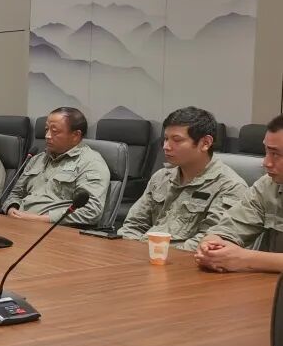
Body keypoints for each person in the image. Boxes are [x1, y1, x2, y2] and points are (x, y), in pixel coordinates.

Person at [118, 107, 247, 250]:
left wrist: (155, 252)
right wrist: (134, 251)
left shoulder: (230, 187)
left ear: (205, 143)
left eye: (177, 140)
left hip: (184, 260)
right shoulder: (161, 177)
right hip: (145, 254)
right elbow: (133, 225)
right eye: (166, 139)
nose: (166, 147)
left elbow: (208, 242)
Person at [195, 114, 283, 273]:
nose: (266, 163)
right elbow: (230, 227)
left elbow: (244, 259)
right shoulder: (268, 186)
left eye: (276, 154)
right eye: (266, 152)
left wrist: (246, 259)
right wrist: (212, 244)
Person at [3, 107, 109, 226]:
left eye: (55, 131)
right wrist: (11, 208)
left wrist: (39, 219)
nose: (47, 136)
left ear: (76, 135)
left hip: (54, 229)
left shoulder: (91, 163)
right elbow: (15, 194)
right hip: (18, 223)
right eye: (46, 129)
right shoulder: (36, 159)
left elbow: (91, 211)